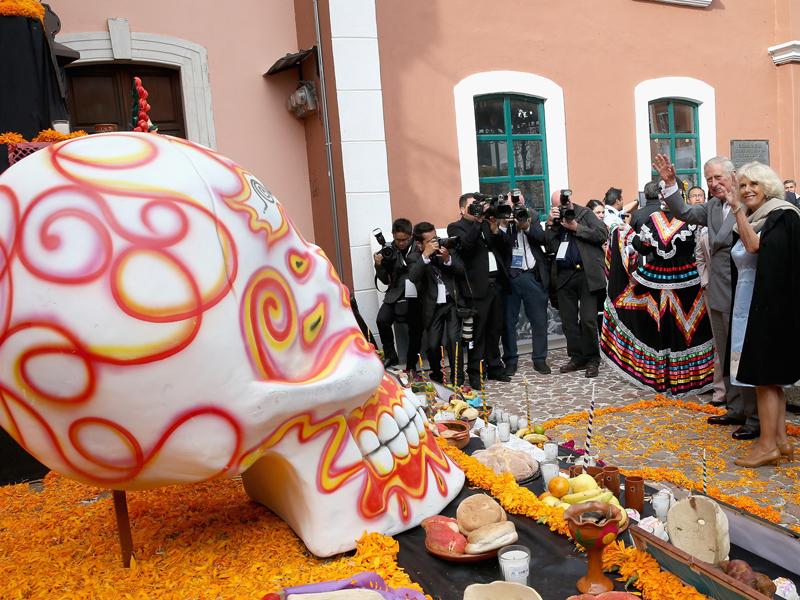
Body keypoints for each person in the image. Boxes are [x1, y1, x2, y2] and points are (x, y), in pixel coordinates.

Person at [655, 154, 759, 440]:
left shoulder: (750, 204)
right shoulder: (713, 207)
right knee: (725, 354)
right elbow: (685, 212)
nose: (713, 184)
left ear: (733, 176)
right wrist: (670, 182)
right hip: (716, 293)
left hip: (743, 293)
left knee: (743, 355)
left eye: (718, 178)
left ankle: (754, 416)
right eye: (709, 179)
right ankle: (735, 408)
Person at [722, 162, 800, 467]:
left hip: (772, 306)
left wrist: (737, 209)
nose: (746, 190)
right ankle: (779, 440)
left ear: (768, 186)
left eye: (753, 184)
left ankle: (767, 445)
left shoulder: (781, 215)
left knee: (766, 378)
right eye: (742, 185)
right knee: (770, 380)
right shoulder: (761, 217)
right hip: (753, 302)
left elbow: (755, 248)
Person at [600, 195, 714, 396]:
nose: (663, 197)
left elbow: (698, 247)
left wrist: (628, 236)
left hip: (683, 281)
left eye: (667, 192)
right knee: (667, 328)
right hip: (667, 279)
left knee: (681, 329)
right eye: (662, 193)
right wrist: (625, 235)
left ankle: (677, 377)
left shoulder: (688, 216)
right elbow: (644, 246)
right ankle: (675, 377)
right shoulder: (657, 218)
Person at [448, 194, 510, 389]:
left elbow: (504, 246)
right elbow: (466, 246)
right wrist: (478, 221)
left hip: (495, 284)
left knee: (495, 329)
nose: (476, 209)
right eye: (471, 206)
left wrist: (495, 229)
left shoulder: (485, 224)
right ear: (461, 209)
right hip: (476, 288)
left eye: (477, 205)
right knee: (478, 333)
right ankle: (475, 372)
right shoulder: (456, 227)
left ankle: (495, 367)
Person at [545, 190, 608, 377]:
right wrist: (551, 225)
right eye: (557, 206)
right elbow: (548, 246)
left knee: (588, 319)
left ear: (569, 200)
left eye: (564, 204)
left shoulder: (584, 213)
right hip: (565, 274)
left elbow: (602, 234)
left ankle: (592, 359)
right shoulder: (554, 221)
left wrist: (576, 227)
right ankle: (577, 357)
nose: (562, 208)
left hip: (587, 274)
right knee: (569, 321)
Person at [407, 221, 466, 386]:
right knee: (433, 346)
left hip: (451, 303)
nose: (436, 242)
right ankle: (438, 375)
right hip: (432, 307)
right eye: (430, 241)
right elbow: (413, 277)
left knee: (453, 340)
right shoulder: (414, 258)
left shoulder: (445, 249)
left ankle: (458, 379)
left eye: (436, 238)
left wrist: (447, 259)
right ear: (419, 244)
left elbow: (461, 270)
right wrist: (425, 256)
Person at [497, 204, 551, 375]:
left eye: (519, 201)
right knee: (508, 322)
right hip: (509, 277)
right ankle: (511, 359)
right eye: (514, 201)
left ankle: (540, 359)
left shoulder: (531, 215)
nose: (517, 206)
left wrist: (526, 225)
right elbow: (498, 244)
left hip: (531, 275)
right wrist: (504, 224)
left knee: (539, 320)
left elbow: (542, 238)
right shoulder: (503, 218)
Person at [692, 186, 727, 407]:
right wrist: (705, 282)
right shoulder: (703, 230)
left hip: (733, 286)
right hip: (711, 288)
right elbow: (699, 258)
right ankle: (720, 389)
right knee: (719, 340)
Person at [373, 218, 422, 370]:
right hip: (395, 293)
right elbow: (384, 281)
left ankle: (411, 363)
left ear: (411, 236)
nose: (401, 243)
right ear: (393, 236)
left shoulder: (419, 247)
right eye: (397, 240)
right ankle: (390, 356)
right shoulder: (389, 250)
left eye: (404, 240)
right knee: (381, 320)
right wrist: (379, 265)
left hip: (416, 293)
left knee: (415, 325)